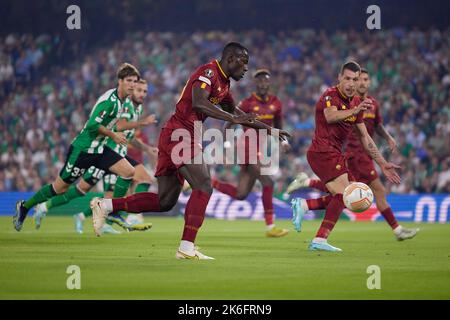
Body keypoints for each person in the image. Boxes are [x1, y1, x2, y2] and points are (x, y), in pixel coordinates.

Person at [89, 42, 290, 260]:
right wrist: (233, 118)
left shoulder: (223, 84)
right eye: (244, 63)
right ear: (231, 58)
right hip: (180, 133)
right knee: (203, 186)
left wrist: (270, 130)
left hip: (179, 135)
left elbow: (239, 113)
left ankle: (105, 205)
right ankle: (186, 247)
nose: (246, 69)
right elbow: (199, 102)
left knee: (164, 202)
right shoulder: (208, 72)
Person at [286, 69, 419, 241]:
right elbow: (331, 116)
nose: (355, 83)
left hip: (339, 154)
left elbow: (366, 135)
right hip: (335, 153)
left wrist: (383, 162)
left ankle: (305, 203)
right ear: (340, 78)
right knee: (352, 195)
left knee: (347, 197)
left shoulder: (365, 103)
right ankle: (320, 237)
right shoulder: (331, 95)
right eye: (349, 78)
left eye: (358, 79)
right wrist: (355, 111)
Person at [13, 63, 145, 231]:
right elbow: (91, 125)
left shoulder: (122, 101)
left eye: (135, 81)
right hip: (83, 150)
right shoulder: (110, 101)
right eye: (129, 80)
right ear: (120, 81)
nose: (133, 84)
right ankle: (25, 206)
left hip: (100, 149)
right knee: (59, 188)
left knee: (128, 172)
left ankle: (113, 211)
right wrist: (113, 135)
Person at [212, 69, 290, 237]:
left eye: (265, 80)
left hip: (259, 149)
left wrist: (284, 141)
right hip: (246, 147)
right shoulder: (246, 103)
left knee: (240, 194)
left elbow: (278, 126)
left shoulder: (276, 103)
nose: (262, 83)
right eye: (259, 81)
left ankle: (210, 182)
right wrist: (226, 146)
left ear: (269, 83)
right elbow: (229, 123)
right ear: (256, 84)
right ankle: (271, 227)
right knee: (268, 182)